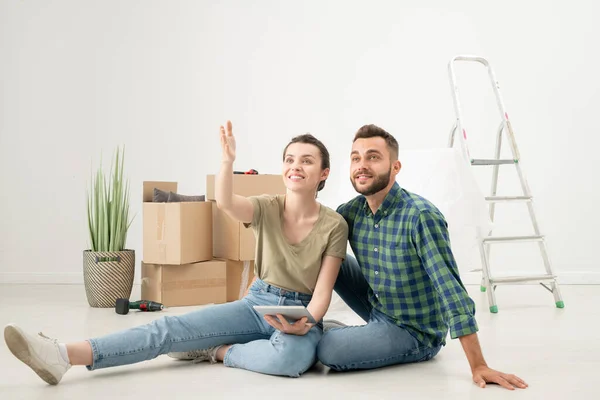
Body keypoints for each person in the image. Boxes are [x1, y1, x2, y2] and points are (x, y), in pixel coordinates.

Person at [3, 121, 348, 384]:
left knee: (289, 361)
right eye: (290, 159)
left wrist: (308, 323)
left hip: (301, 313)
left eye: (306, 161)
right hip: (257, 303)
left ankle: (217, 350)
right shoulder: (266, 207)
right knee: (168, 329)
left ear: (323, 173)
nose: (296, 166)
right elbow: (226, 202)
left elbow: (322, 293)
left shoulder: (334, 225)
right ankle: (64, 355)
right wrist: (228, 161)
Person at [316, 124, 528, 391]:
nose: (362, 165)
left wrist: (479, 365)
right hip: (379, 308)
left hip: (415, 330)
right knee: (328, 256)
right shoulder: (351, 212)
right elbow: (310, 243)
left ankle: (341, 335)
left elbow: (450, 289)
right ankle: (320, 326)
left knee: (329, 350)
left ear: (395, 167)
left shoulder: (421, 216)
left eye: (373, 157)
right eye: (356, 158)